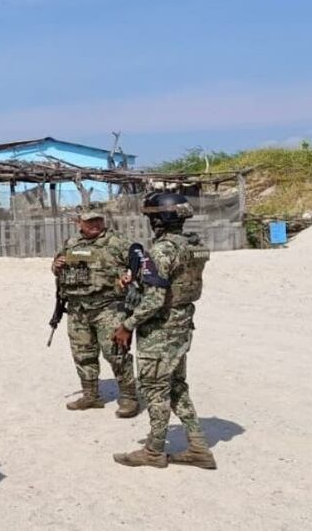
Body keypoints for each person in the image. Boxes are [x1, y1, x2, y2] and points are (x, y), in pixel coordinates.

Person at [112, 193, 216, 469]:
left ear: (159, 219)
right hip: (182, 324)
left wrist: (127, 325)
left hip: (160, 330)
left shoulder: (161, 250)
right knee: (178, 387)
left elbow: (156, 299)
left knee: (155, 389)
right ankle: (198, 447)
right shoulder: (195, 246)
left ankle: (154, 450)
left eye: (151, 217)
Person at [51, 210, 139, 417]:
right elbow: (57, 265)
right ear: (79, 223)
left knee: (116, 353)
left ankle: (129, 397)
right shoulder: (71, 243)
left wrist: (130, 276)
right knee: (83, 354)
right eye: (90, 221)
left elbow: (140, 261)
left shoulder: (116, 242)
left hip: (107, 307)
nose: (95, 224)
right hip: (77, 309)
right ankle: (91, 395)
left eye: (98, 220)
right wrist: (56, 266)